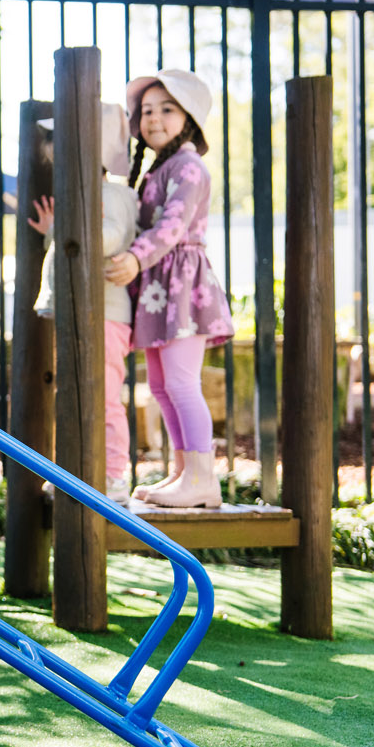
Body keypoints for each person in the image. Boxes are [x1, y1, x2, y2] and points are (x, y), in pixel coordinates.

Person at [105, 69, 236, 508]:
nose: (154, 118)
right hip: (163, 288)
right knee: (161, 386)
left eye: (167, 109)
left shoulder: (189, 166)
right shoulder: (161, 169)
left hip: (182, 287)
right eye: (146, 111)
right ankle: (184, 472)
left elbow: (173, 225)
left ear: (190, 119)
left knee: (181, 383)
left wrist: (136, 258)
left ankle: (202, 476)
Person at [27, 103, 142, 503]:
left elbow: (107, 237)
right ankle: (75, 473)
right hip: (75, 313)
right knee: (72, 393)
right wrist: (54, 229)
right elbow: (69, 245)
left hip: (106, 315)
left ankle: (112, 477)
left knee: (104, 396)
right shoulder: (83, 196)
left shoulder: (116, 195)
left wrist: (72, 221)